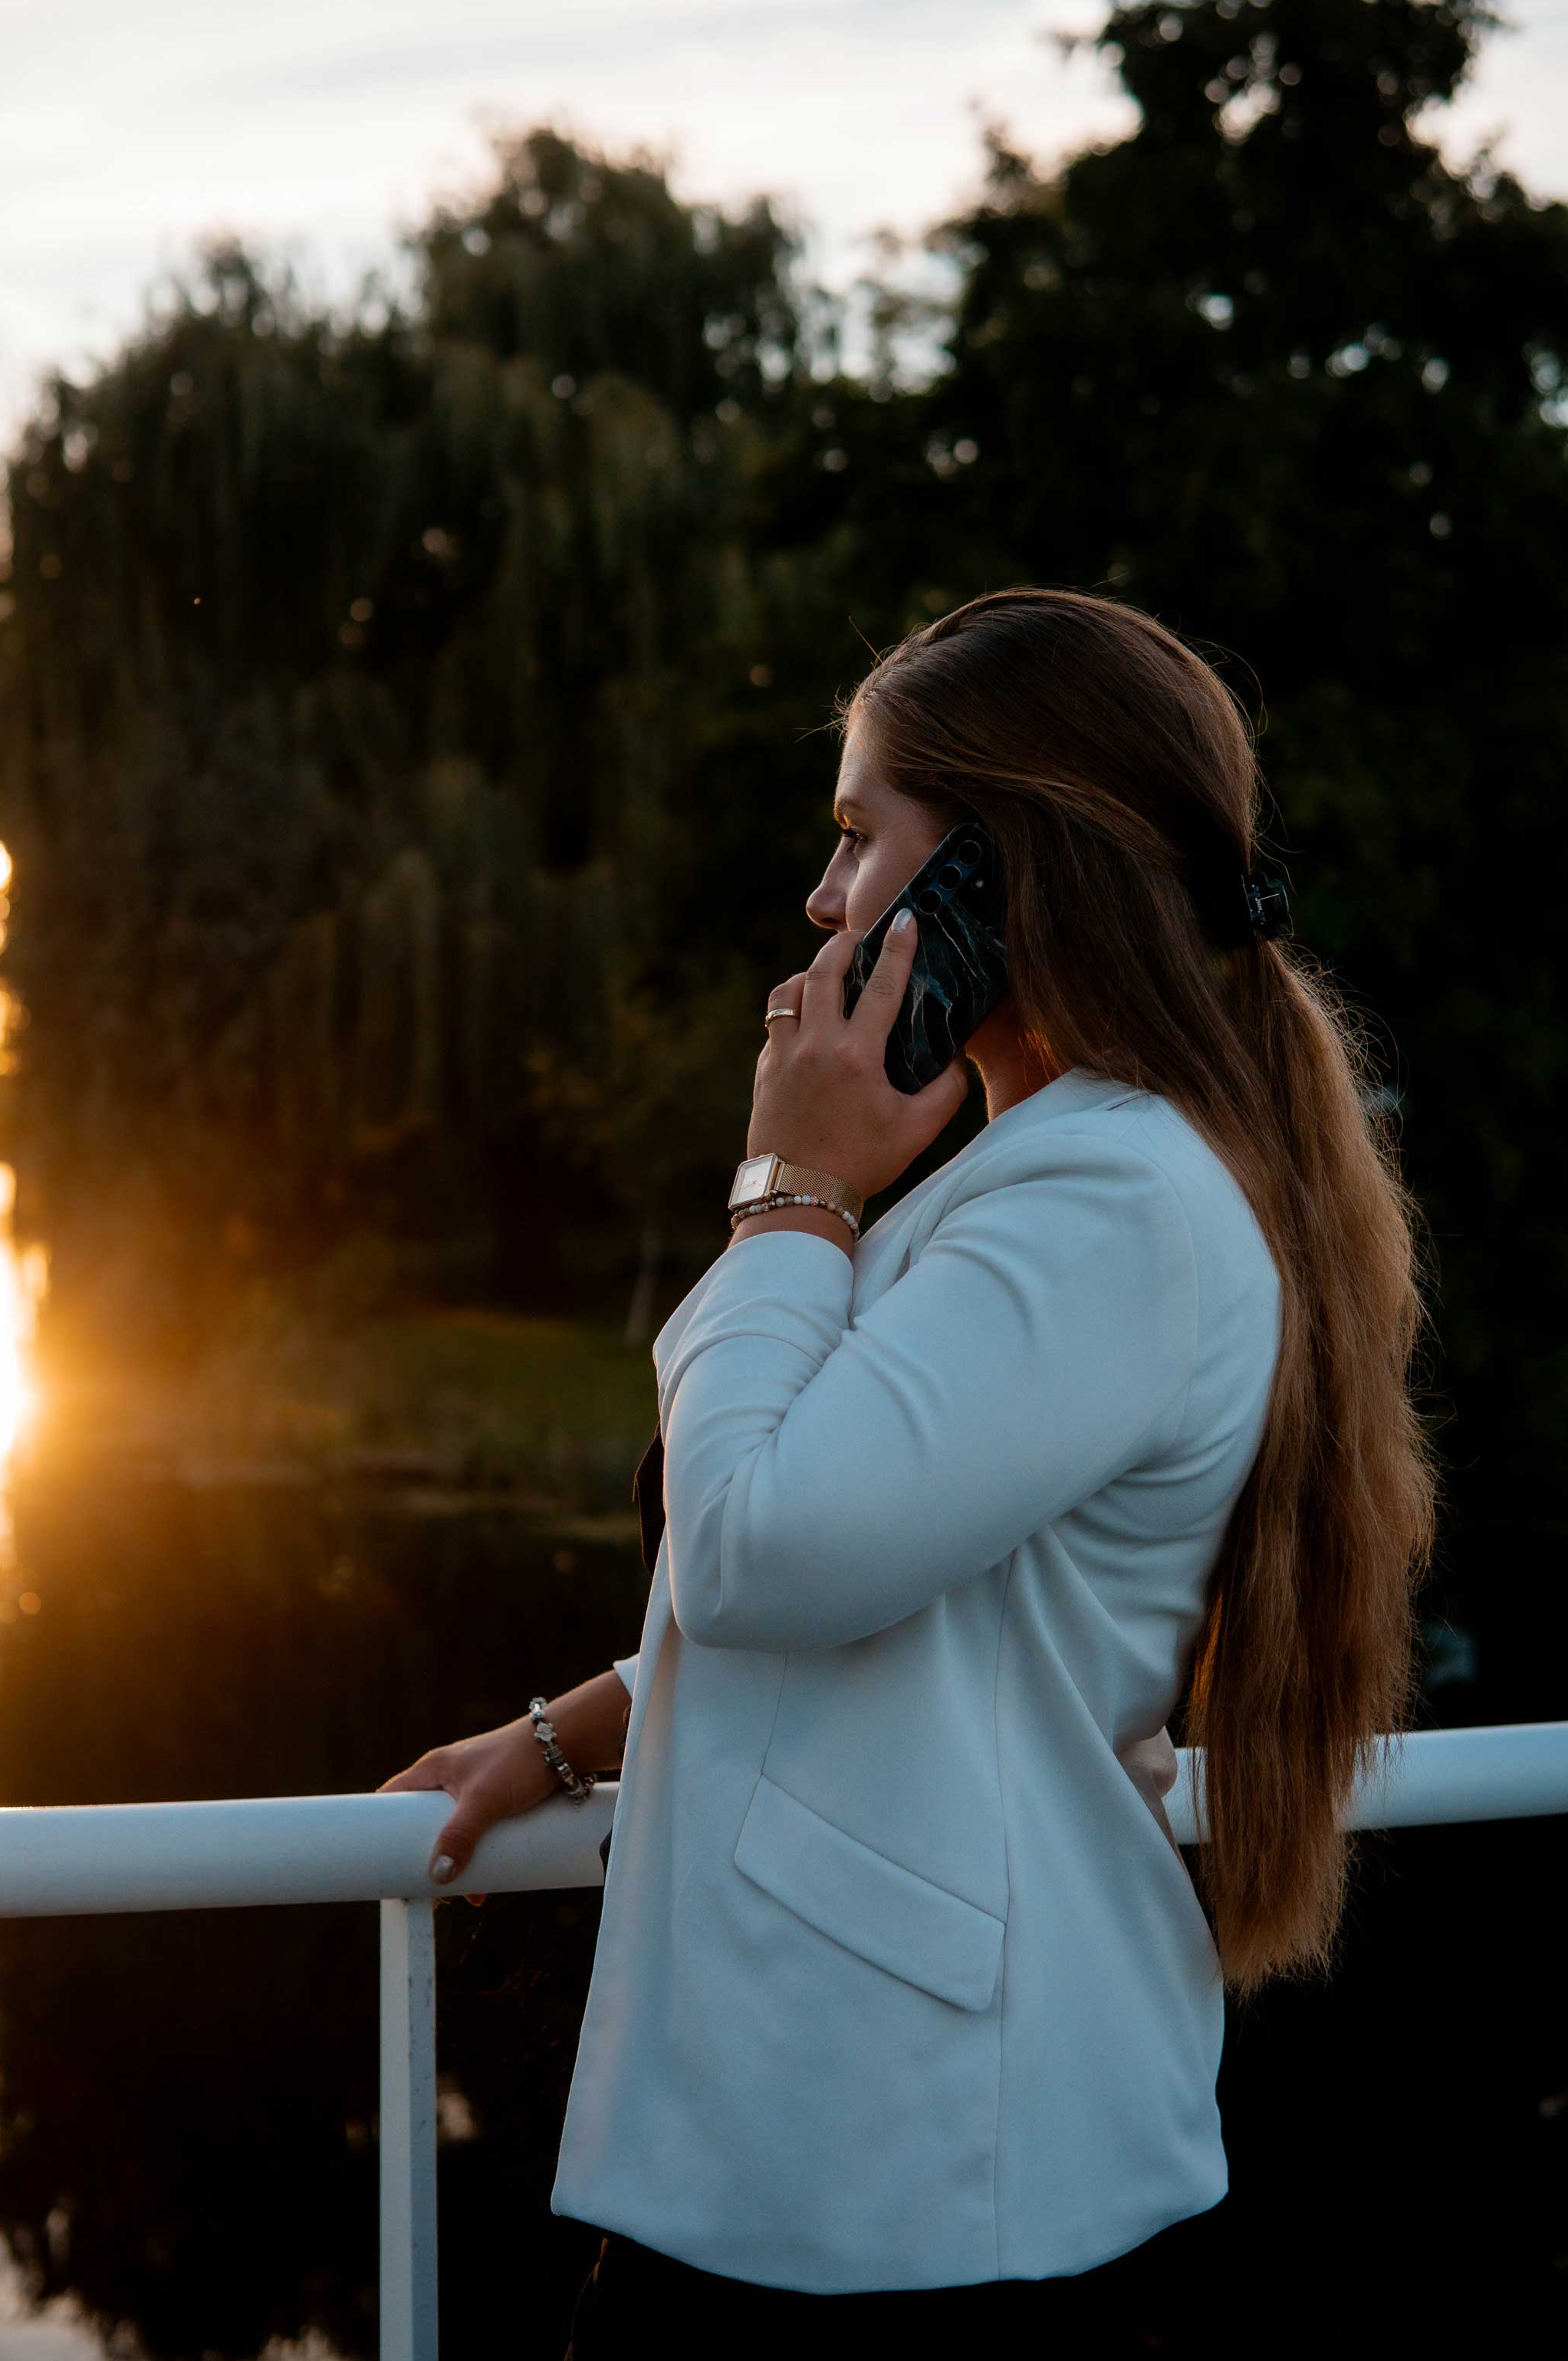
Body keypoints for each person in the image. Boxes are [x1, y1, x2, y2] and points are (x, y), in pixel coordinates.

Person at [378, 589, 1436, 2356]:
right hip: (860, 2164)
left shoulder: (1108, 1204)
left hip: (924, 2190)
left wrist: (788, 1188)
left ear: (998, 876)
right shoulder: (1050, 1177)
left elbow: (760, 1552)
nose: (821, 898)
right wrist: (573, 1730)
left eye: (861, 836)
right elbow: (921, 1585)